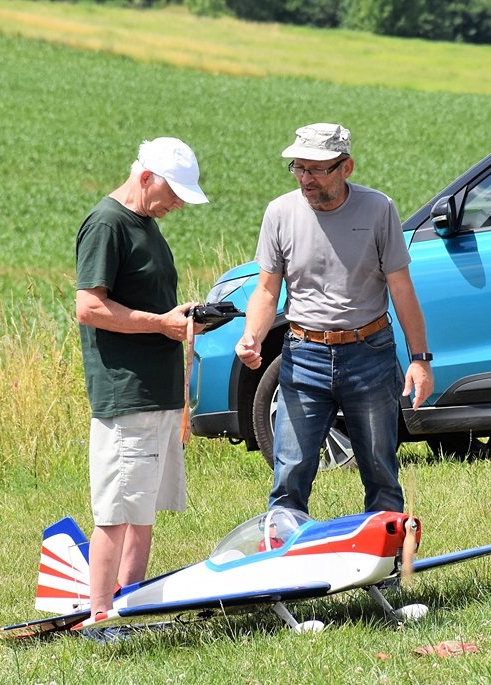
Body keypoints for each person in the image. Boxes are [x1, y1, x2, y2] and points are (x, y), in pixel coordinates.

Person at [235, 123, 434, 515]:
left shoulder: (379, 209)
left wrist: (420, 359)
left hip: (369, 355)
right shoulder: (280, 213)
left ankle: (386, 554)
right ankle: (287, 552)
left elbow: (401, 287)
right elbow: (266, 290)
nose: (305, 179)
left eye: (316, 169)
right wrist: (252, 336)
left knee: (380, 471)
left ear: (346, 167)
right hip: (303, 357)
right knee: (289, 474)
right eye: (298, 167)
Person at [75, 136, 209, 621]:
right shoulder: (106, 224)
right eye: (174, 193)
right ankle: (99, 615)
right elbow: (88, 307)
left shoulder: (146, 223)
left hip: (159, 392)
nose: (177, 205)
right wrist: (161, 324)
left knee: (143, 510)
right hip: (126, 393)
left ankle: (127, 606)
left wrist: (184, 319)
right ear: (146, 177)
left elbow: (149, 304)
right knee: (115, 512)